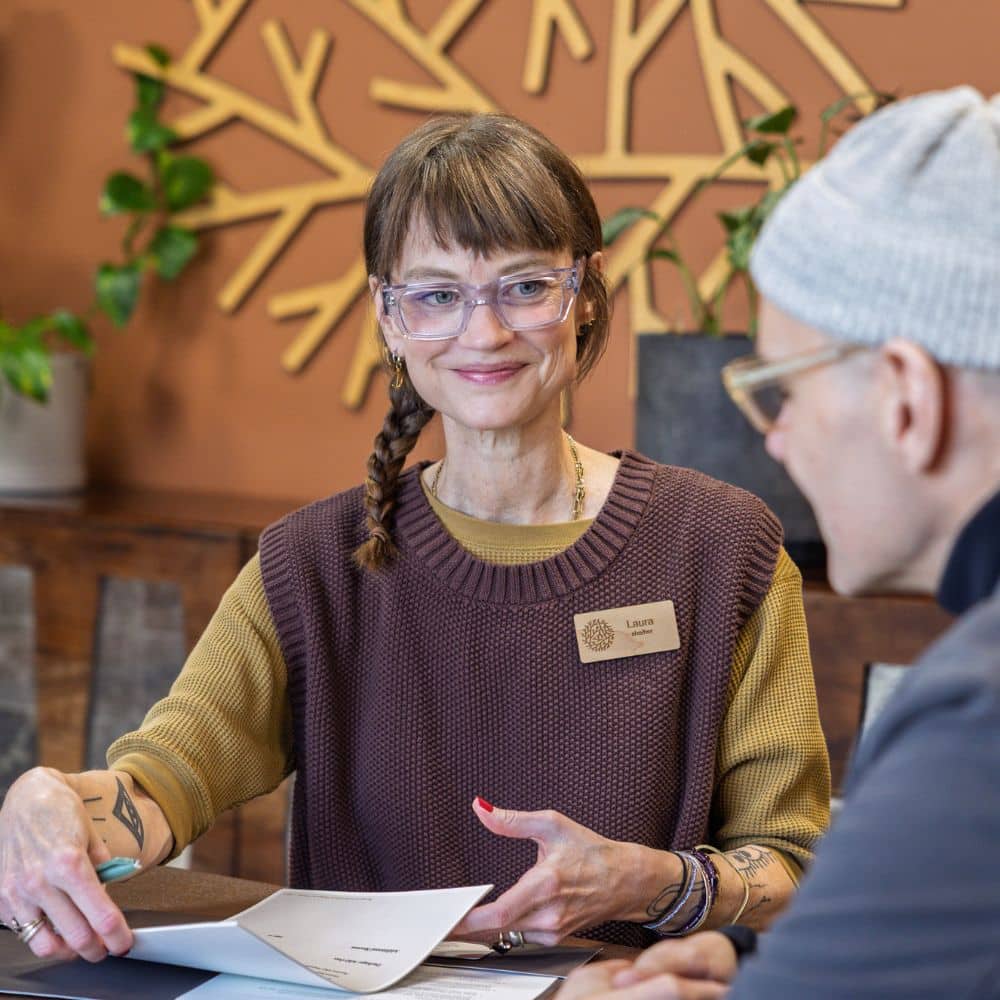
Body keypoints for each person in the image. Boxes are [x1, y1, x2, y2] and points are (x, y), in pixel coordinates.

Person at [0, 113, 829, 964]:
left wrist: (653, 882)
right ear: (388, 317)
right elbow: (161, 781)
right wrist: (46, 801)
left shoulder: (724, 549)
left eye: (524, 286)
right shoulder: (311, 566)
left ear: (584, 293)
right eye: (437, 295)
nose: (484, 332)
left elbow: (796, 870)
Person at [559, 85, 1000, 999]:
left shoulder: (976, 717)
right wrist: (758, 957)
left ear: (905, 397)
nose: (775, 436)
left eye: (785, 390)